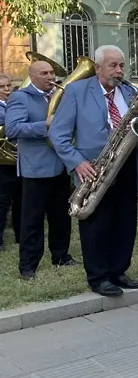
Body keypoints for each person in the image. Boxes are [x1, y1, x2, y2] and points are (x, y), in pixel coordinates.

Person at [49, 45, 138, 297]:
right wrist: (78, 162)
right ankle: (98, 276)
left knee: (125, 222)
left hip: (125, 165)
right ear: (98, 67)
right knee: (97, 224)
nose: (119, 70)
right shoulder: (76, 91)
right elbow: (58, 134)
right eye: (113, 65)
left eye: (122, 65)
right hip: (93, 168)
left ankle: (118, 270)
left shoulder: (128, 91)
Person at [6, 62, 77, 279]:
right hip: (35, 169)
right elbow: (13, 128)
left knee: (61, 217)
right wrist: (44, 124)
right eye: (44, 73)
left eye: (52, 72)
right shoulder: (21, 97)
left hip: (60, 166)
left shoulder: (61, 95)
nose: (50, 76)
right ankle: (28, 266)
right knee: (32, 221)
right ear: (32, 76)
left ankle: (61, 256)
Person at [0, 73, 21, 252]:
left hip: (17, 159)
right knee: (2, 201)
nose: (7, 90)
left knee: (20, 199)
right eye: (2, 87)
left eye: (8, 86)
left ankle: (20, 235)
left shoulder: (12, 104)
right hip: (3, 162)